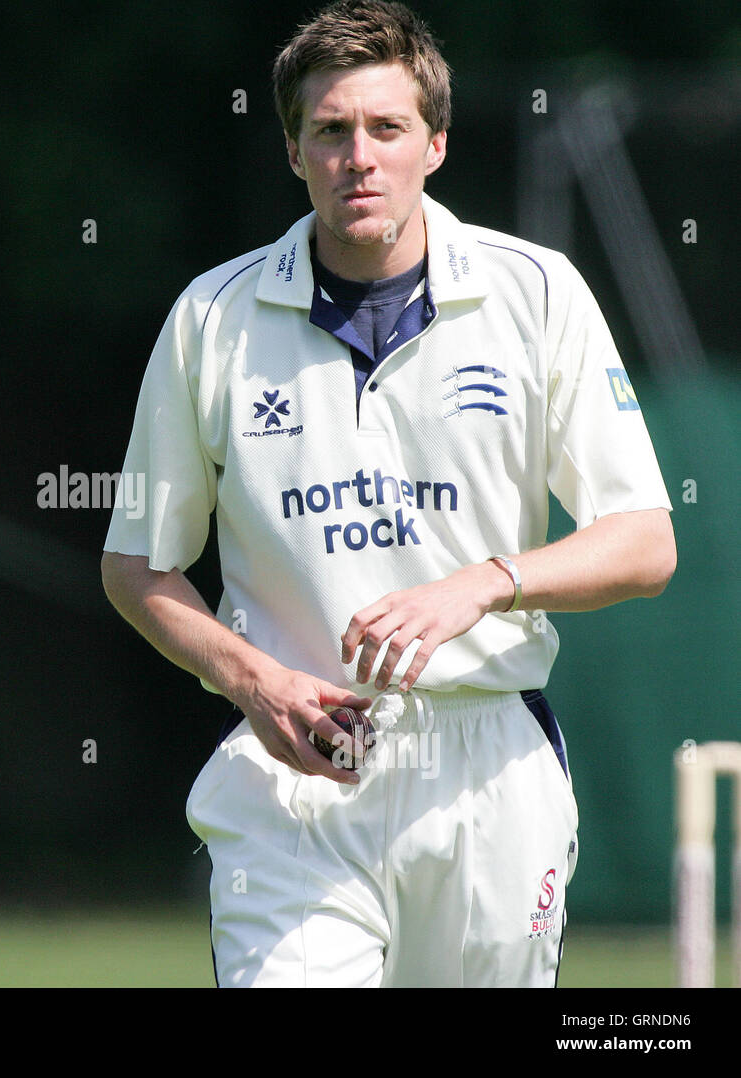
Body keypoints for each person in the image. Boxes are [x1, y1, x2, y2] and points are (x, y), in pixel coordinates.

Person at [100, 0, 676, 988]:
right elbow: (137, 564)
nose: (356, 157)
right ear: (293, 151)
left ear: (435, 144)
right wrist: (255, 680)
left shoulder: (535, 291)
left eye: (385, 128)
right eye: (329, 131)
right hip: (296, 771)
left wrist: (482, 583)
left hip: (489, 759)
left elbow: (641, 541)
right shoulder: (212, 315)